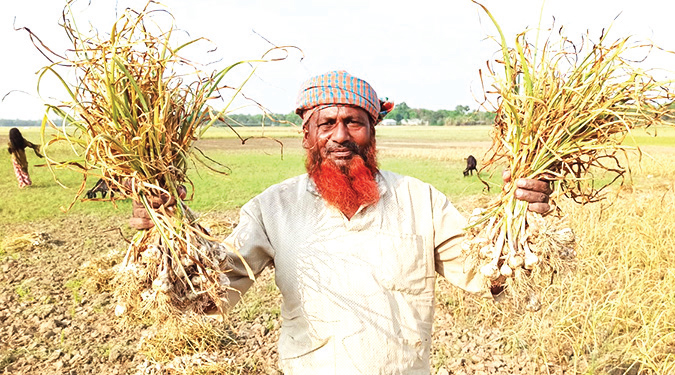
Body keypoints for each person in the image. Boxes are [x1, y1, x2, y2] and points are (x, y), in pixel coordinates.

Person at [131, 70, 551, 374]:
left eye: (354, 122)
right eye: (326, 123)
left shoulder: (421, 200)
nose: (341, 135)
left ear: (372, 132)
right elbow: (211, 295)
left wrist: (519, 219)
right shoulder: (272, 207)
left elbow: (488, 275)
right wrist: (168, 237)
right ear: (307, 136)